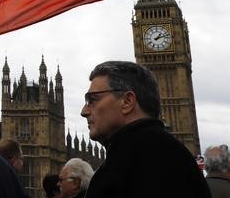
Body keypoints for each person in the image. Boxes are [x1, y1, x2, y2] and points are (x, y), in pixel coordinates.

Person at [80, 60, 210, 198]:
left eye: (92, 99)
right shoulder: (157, 153)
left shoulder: (148, 162)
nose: (84, 111)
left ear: (127, 102)